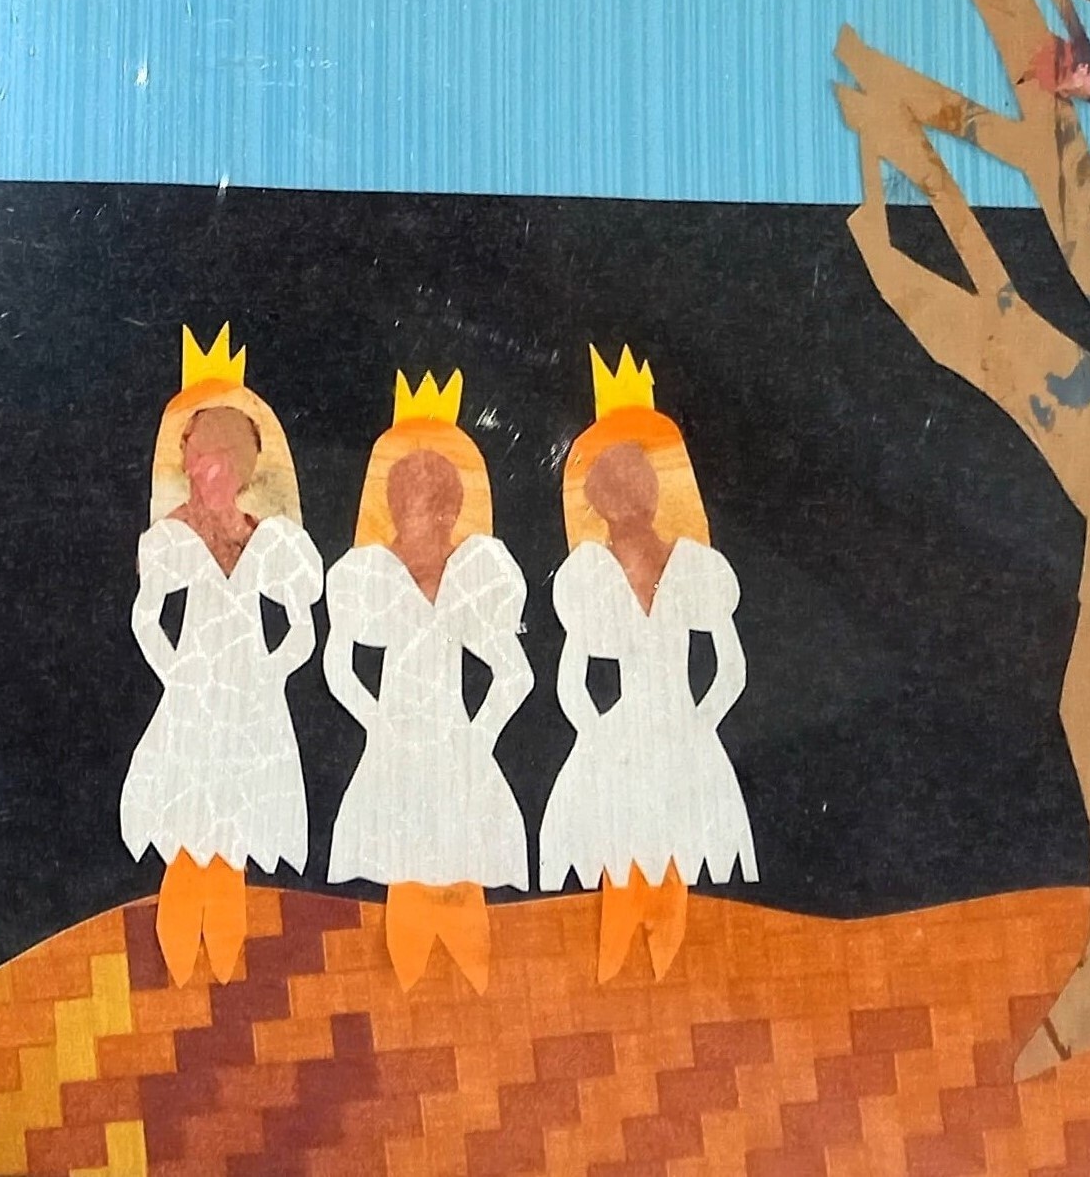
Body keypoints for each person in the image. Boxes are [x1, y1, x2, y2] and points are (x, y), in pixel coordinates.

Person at [540, 346, 756, 981]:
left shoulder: (695, 568)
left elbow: (730, 669)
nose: (627, 504)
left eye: (635, 489)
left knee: (675, 846)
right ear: (597, 503)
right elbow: (573, 680)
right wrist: (598, 735)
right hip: (623, 733)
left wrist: (697, 726)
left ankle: (667, 965)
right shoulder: (589, 575)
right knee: (621, 842)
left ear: (656, 493)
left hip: (678, 730)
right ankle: (620, 961)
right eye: (614, 493)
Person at [122, 325, 322, 986]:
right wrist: (177, 675)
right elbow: (147, 618)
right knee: (187, 825)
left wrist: (270, 674)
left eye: (216, 460)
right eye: (195, 458)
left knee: (234, 829)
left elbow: (301, 628)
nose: (202, 472)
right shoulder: (170, 535)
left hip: (252, 701)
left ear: (239, 466)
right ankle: (178, 965)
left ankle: (226, 974)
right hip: (193, 695)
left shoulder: (270, 539)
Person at [324, 370, 533, 992]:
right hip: (396, 739)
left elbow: (515, 673)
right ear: (394, 509)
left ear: (452, 511)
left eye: (436, 508)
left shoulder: (470, 576)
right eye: (410, 506)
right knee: (402, 854)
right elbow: (339, 665)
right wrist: (377, 723)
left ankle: (467, 978)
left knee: (461, 849)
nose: (424, 520)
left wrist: (478, 738)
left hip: (452, 737)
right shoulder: (371, 574)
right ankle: (406, 981)